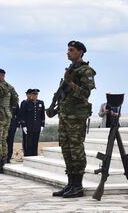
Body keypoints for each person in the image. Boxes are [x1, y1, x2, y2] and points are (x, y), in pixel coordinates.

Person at [52, 40, 95, 198]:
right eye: (68, 50)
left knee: (76, 149)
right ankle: (70, 183)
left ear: (80, 52)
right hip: (65, 115)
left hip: (76, 117)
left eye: (71, 50)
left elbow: (85, 93)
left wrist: (71, 84)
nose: (68, 52)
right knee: (66, 149)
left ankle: (78, 185)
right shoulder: (70, 70)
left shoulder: (86, 71)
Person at [19, 89, 45, 157]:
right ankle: (28, 156)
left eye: (36, 94)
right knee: (29, 143)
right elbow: (22, 115)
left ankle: (35, 156)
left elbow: (42, 115)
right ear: (30, 95)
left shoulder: (41, 103)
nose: (35, 95)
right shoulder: (26, 103)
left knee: (35, 142)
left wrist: (42, 125)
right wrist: (23, 125)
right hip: (29, 126)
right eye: (34, 94)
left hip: (37, 126)